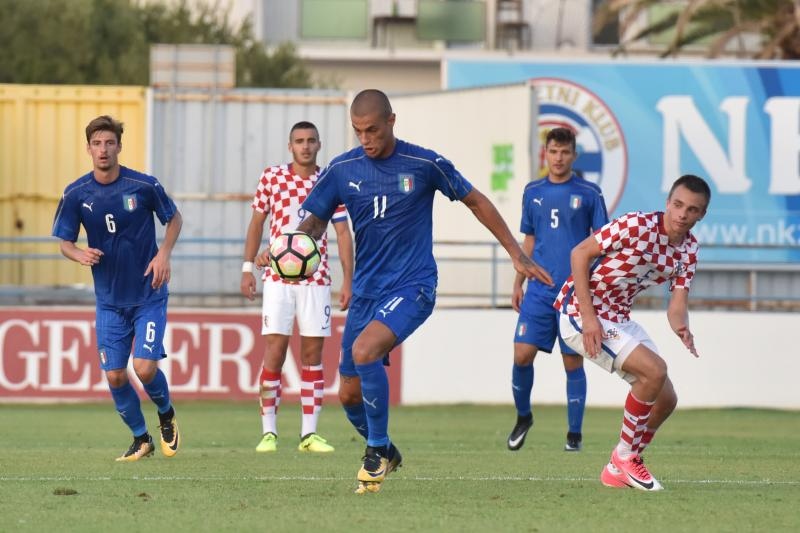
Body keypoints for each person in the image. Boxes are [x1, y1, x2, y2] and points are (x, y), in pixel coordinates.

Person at [296, 89, 554, 494]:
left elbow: (475, 200)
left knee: (365, 351)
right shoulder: (342, 169)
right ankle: (388, 451)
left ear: (392, 121)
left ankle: (376, 450)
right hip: (367, 291)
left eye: (373, 130)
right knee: (347, 395)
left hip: (413, 284)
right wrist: (289, 248)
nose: (366, 138)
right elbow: (314, 223)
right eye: (358, 131)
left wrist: (515, 253)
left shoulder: (424, 163)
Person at [554, 174, 710, 491]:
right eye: (678, 205)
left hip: (618, 318)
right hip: (580, 313)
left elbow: (677, 303)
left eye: (692, 210)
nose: (682, 214)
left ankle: (617, 468)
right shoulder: (637, 225)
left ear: (701, 214)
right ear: (667, 203)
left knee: (666, 398)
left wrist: (682, 325)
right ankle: (625, 458)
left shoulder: (689, 250)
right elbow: (579, 253)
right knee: (654, 372)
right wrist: (589, 317)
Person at [51, 115, 183, 461]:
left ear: (119, 147)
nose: (103, 149)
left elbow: (174, 218)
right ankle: (141, 439)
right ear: (88, 149)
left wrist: (164, 254)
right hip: (109, 301)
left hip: (147, 294)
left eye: (110, 143)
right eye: (97, 144)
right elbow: (64, 241)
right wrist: (79, 253)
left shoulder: (143, 185)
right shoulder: (76, 193)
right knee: (114, 374)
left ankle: (166, 413)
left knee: (144, 368)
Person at [242, 121, 354, 454]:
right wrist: (248, 267)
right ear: (290, 146)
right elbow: (257, 223)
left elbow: (343, 233)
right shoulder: (272, 177)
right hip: (276, 279)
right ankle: (268, 433)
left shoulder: (330, 180)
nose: (305, 146)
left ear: (319, 145)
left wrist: (349, 278)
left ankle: (309, 434)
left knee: (312, 355)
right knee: (274, 353)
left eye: (310, 141)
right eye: (299, 141)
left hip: (316, 280)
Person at [508, 127, 608, 453]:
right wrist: (518, 280)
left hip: (574, 292)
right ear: (546, 154)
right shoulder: (532, 191)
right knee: (521, 354)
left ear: (573, 156)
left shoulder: (590, 193)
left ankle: (574, 434)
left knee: (572, 364)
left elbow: (602, 242)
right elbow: (529, 239)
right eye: (553, 152)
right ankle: (524, 417)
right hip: (538, 289)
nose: (559, 158)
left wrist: (595, 287)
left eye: (565, 152)